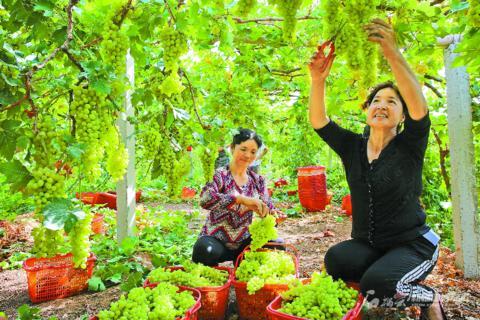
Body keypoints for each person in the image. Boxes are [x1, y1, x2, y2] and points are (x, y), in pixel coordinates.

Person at [308, 19, 446, 320]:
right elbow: (320, 121)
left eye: (392, 102)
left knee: (378, 287)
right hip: (372, 245)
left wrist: (392, 53)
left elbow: (420, 109)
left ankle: (430, 299)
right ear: (367, 110)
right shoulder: (353, 147)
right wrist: (317, 80)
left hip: (414, 245)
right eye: (376, 100)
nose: (382, 105)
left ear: (402, 114)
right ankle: (386, 277)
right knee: (336, 259)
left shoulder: (410, 143)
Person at [192, 128, 283, 266]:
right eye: (243, 149)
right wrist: (239, 199)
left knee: (278, 245)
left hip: (244, 244)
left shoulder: (257, 180)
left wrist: (273, 216)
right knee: (204, 250)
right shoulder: (219, 175)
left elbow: (269, 209)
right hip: (216, 241)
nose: (248, 155)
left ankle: (241, 264)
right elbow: (205, 199)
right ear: (233, 148)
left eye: (253, 152)